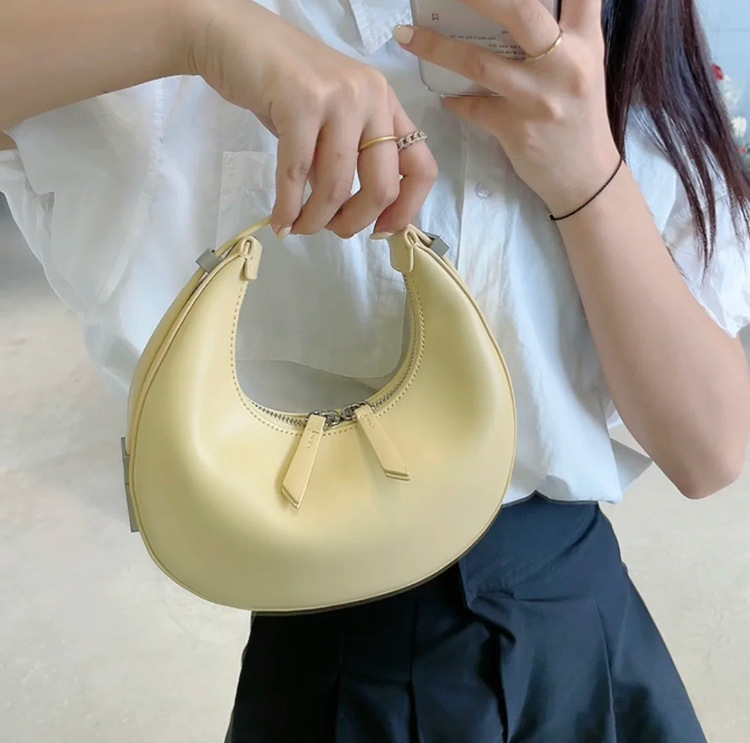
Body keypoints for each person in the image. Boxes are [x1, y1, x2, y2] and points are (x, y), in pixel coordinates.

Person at [2, 0, 749, 740]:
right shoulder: (235, 35)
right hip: (339, 646)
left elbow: (709, 451)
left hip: (584, 635)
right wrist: (202, 31)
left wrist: (587, 175)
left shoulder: (636, 54)